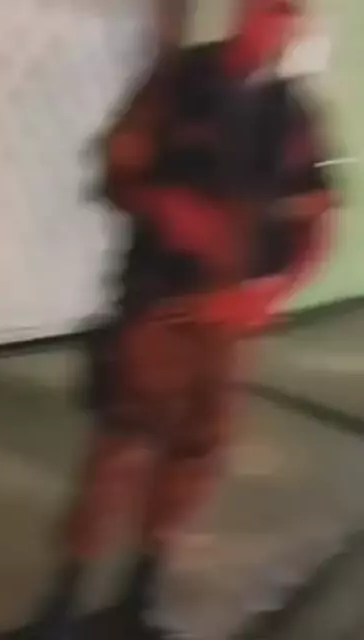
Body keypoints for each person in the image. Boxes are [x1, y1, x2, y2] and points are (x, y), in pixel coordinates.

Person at [35, 1, 338, 638]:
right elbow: (118, 168)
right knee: (122, 448)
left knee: (197, 455)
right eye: (269, 7)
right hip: (159, 306)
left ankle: (141, 597)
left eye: (290, 12)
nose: (278, 22)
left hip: (230, 326)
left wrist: (267, 295)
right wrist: (167, 205)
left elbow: (317, 217)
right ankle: (62, 607)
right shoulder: (176, 84)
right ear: (243, 11)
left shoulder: (292, 114)